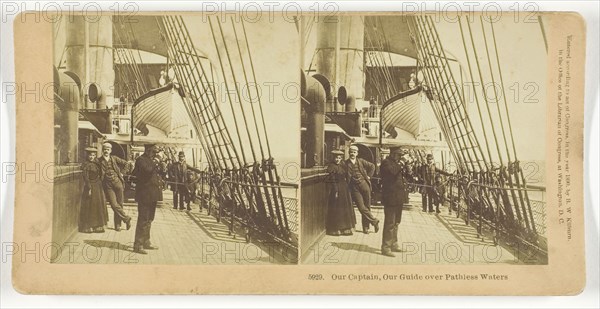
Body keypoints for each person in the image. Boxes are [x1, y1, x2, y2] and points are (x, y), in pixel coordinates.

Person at [131, 144, 162, 254]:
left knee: (150, 219)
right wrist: (157, 162)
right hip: (144, 194)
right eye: (154, 152)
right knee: (143, 219)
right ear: (149, 150)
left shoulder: (151, 160)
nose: (155, 154)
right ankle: (138, 245)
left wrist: (161, 165)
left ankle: (146, 241)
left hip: (152, 194)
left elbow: (158, 174)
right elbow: (147, 170)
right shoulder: (141, 160)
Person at [379, 148, 408, 257]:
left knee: (396, 222)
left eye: (401, 156)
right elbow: (392, 172)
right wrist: (401, 163)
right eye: (398, 155)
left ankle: (394, 243)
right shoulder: (386, 163)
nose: (400, 157)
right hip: (390, 197)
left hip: (398, 197)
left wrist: (407, 169)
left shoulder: (396, 164)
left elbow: (402, 177)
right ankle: (386, 247)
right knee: (390, 222)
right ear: (393, 154)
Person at [345, 145, 380, 234]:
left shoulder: (360, 161)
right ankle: (374, 221)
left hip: (364, 185)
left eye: (354, 152)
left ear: (357, 153)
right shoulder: (345, 163)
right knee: (361, 207)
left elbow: (372, 166)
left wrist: (369, 176)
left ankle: (366, 227)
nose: (352, 154)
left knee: (367, 206)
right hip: (354, 187)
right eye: (351, 152)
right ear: (349, 153)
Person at [97, 142, 132, 231]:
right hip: (108, 185)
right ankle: (126, 218)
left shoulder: (114, 158)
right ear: (102, 150)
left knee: (120, 203)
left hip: (118, 183)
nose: (106, 151)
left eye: (108, 149)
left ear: (110, 151)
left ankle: (118, 225)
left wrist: (122, 173)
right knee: (113, 204)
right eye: (104, 149)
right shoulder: (99, 160)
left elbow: (127, 164)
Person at [325, 150, 356, 236]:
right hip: (336, 188)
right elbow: (332, 180)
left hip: (344, 189)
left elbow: (346, 176)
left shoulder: (343, 166)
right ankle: (336, 229)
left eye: (339, 158)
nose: (337, 160)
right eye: (336, 158)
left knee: (345, 208)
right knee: (337, 208)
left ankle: (345, 228)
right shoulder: (331, 166)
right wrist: (335, 190)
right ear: (333, 158)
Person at [78, 147, 108, 233]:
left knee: (98, 205)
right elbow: (86, 177)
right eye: (90, 155)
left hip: (98, 186)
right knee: (89, 206)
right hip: (90, 186)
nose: (91, 157)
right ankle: (88, 226)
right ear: (87, 155)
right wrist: (89, 188)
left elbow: (101, 174)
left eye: (93, 155)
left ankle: (97, 226)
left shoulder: (97, 163)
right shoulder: (85, 165)